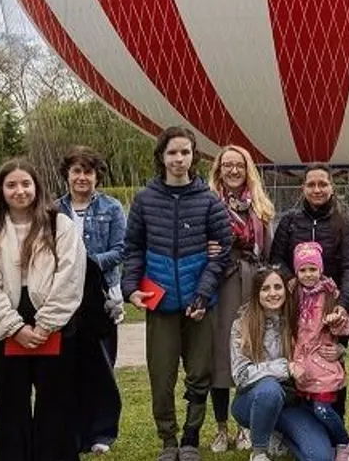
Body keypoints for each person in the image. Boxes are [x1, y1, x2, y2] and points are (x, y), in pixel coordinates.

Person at [0, 159, 86, 460]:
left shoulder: (60, 224)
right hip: (7, 322)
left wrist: (45, 324)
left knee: (55, 400)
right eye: (12, 185)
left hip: (54, 322)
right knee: (10, 400)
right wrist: (13, 327)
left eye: (25, 184)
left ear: (36, 186)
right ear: (1, 190)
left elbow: (71, 275)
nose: (20, 191)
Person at [122, 127, 233, 461]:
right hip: (161, 305)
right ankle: (168, 440)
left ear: (193, 156)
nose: (179, 159)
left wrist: (203, 294)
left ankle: (190, 436)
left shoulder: (209, 201)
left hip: (199, 305)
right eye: (172, 153)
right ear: (161, 157)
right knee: (162, 376)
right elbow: (133, 248)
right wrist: (130, 288)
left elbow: (222, 252)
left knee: (199, 373)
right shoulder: (144, 200)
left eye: (185, 152)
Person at [269, 164, 349, 416]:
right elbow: (276, 259)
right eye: (311, 184)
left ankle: (335, 424)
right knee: (297, 363)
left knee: (332, 362)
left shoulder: (346, 223)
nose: (317, 189)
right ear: (303, 188)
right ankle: (301, 424)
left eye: (323, 184)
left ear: (332, 187)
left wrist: (343, 306)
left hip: (333, 310)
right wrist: (292, 281)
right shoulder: (289, 221)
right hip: (297, 310)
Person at [56, 146, 126, 455]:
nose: (82, 177)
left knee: (101, 366)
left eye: (88, 172)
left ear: (96, 176)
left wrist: (87, 263)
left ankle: (102, 433)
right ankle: (75, 431)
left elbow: (122, 249)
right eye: (76, 171)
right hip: (64, 298)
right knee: (70, 368)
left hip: (102, 297)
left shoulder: (111, 208)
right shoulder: (53, 210)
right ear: (67, 176)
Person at [207, 145, 275, 453]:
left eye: (239, 165)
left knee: (251, 350)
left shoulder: (259, 206)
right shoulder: (208, 203)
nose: (233, 170)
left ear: (247, 169)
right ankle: (221, 427)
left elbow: (270, 249)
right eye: (227, 165)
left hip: (253, 282)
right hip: (222, 284)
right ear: (219, 169)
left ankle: (244, 424)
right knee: (221, 355)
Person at [230, 267, 337, 461]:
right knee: (270, 389)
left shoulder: (298, 321)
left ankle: (279, 435)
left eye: (278, 287)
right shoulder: (242, 324)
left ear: (285, 291)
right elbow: (240, 375)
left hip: (290, 403)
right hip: (252, 401)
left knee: (321, 456)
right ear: (257, 293)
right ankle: (259, 452)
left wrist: (339, 351)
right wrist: (285, 367)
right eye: (265, 288)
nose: (272, 293)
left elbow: (322, 342)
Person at [290, 241, 349, 461]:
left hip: (323, 361)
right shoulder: (292, 294)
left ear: (321, 269)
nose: (308, 275)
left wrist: (336, 321)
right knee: (307, 407)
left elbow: (346, 326)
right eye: (303, 270)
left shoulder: (329, 292)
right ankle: (322, 441)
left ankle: (344, 442)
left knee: (323, 409)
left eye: (312, 269)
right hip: (300, 360)